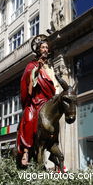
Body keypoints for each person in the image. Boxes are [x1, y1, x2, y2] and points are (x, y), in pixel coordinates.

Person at [16, 36, 59, 165]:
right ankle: (26, 150)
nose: (45, 49)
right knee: (28, 118)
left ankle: (53, 149)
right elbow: (28, 82)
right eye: (43, 47)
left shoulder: (50, 67)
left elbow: (54, 83)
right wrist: (36, 70)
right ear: (38, 50)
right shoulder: (32, 65)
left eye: (47, 47)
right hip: (35, 100)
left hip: (48, 100)